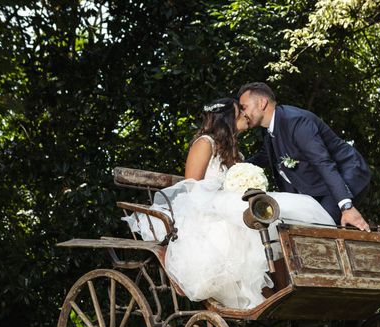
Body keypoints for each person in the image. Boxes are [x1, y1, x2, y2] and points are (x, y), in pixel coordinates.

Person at [124, 98, 334, 309]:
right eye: (239, 112)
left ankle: (291, 282)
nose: (245, 115)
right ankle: (268, 289)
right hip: (206, 209)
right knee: (244, 218)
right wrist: (225, 198)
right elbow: (191, 188)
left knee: (288, 208)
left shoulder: (235, 153)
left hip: (235, 202)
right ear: (226, 119)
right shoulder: (205, 143)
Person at [238, 82, 372, 231]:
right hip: (315, 187)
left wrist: (347, 207)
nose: (242, 113)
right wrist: (236, 167)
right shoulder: (269, 130)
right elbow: (264, 156)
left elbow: (322, 162)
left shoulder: (296, 121)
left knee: (319, 227)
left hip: (346, 174)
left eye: (244, 107)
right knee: (302, 228)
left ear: (262, 103)